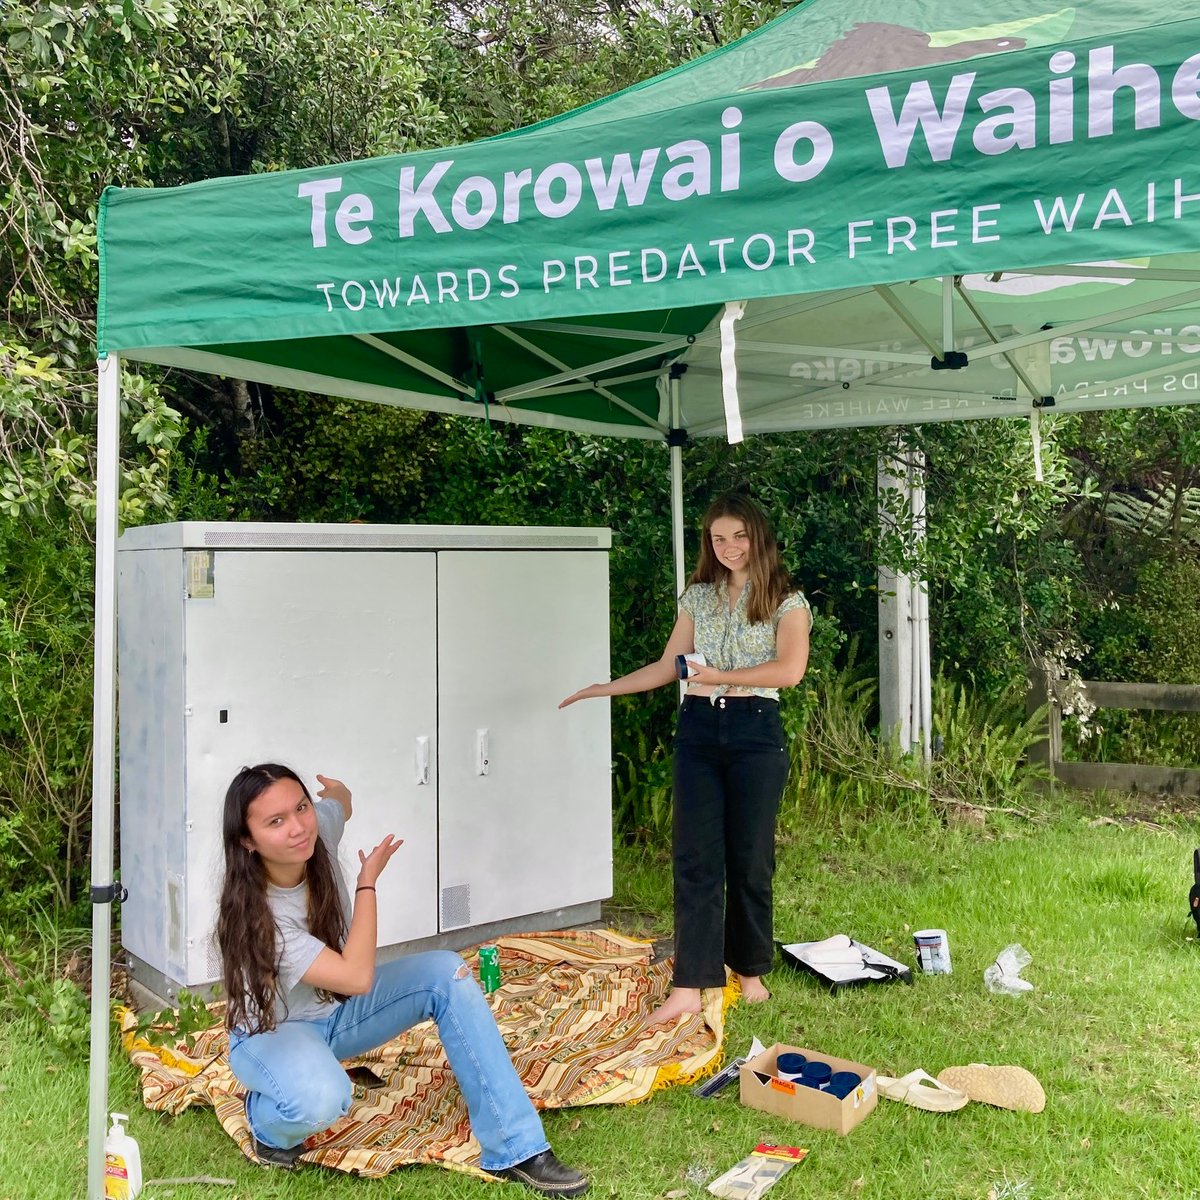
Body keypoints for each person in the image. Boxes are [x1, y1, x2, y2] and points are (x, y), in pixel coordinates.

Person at [216, 762, 588, 1196]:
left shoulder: (315, 834)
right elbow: (356, 977)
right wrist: (367, 884)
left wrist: (336, 792)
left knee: (446, 973)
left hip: (335, 1011)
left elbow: (340, 803)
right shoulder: (262, 919)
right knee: (322, 1101)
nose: (298, 827)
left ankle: (517, 1148)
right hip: (274, 1031)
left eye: (301, 807)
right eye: (275, 822)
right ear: (247, 840)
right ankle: (267, 1122)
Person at [560, 493, 811, 1025]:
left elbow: (789, 671)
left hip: (756, 731)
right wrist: (604, 688)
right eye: (718, 538)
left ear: (758, 536)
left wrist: (721, 675)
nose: (729, 547)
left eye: (738, 536)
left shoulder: (788, 602)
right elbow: (670, 665)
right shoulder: (699, 596)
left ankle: (750, 971)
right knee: (695, 858)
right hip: (698, 729)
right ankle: (689, 987)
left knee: (751, 858)